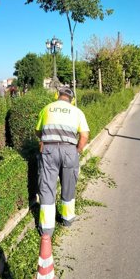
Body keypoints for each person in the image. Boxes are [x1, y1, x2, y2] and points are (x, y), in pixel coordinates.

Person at [35, 86, 89, 236]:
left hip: (49, 150)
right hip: (69, 151)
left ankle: (46, 228)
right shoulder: (77, 111)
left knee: (47, 186)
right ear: (72, 100)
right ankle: (67, 219)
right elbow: (84, 136)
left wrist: (45, 139)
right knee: (69, 184)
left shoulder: (47, 108)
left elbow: (38, 131)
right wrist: (77, 150)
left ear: (57, 96)